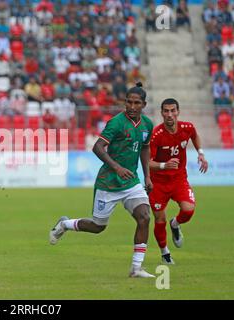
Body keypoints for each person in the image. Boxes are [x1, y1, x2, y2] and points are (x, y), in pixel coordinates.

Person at [49, 82, 155, 278]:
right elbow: (97, 147)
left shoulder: (147, 125)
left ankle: (136, 268)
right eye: (129, 102)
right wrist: (117, 167)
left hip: (131, 183)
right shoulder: (116, 123)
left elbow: (145, 148)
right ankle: (65, 225)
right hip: (109, 183)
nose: (132, 106)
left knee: (144, 217)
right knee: (98, 227)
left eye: (136, 103)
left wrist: (147, 175)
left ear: (144, 104)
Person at [148, 98, 208, 264]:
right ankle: (165, 253)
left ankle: (175, 224)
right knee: (159, 219)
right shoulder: (156, 135)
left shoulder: (187, 128)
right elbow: (147, 162)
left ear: (178, 112)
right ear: (161, 113)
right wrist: (164, 165)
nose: (170, 114)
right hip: (158, 183)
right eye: (166, 111)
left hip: (179, 179)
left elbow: (195, 136)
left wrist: (201, 153)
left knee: (188, 210)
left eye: (173, 111)